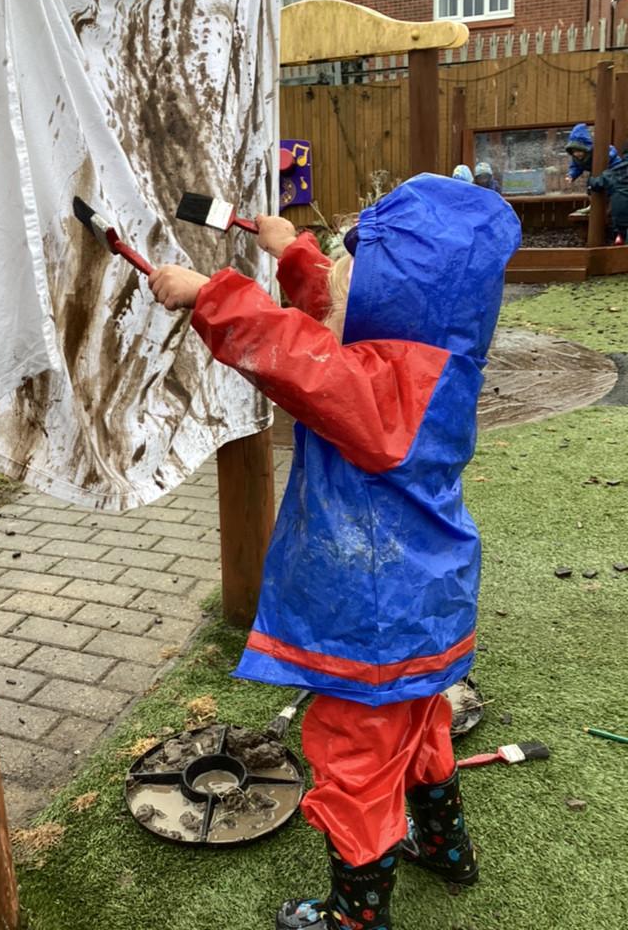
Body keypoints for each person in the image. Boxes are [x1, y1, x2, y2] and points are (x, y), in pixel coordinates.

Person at [149, 174, 521, 930]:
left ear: (396, 296)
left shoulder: (384, 386)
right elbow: (341, 320)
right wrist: (293, 253)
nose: (344, 274)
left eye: (358, 264)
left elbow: (305, 359)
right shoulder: (433, 357)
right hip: (424, 610)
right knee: (421, 730)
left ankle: (355, 916)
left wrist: (209, 295)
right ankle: (445, 847)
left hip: (373, 621)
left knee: (355, 761)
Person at [588, 151, 628, 244]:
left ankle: (620, 238)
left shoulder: (614, 172)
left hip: (621, 211)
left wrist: (590, 179)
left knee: (622, 229)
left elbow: (596, 183)